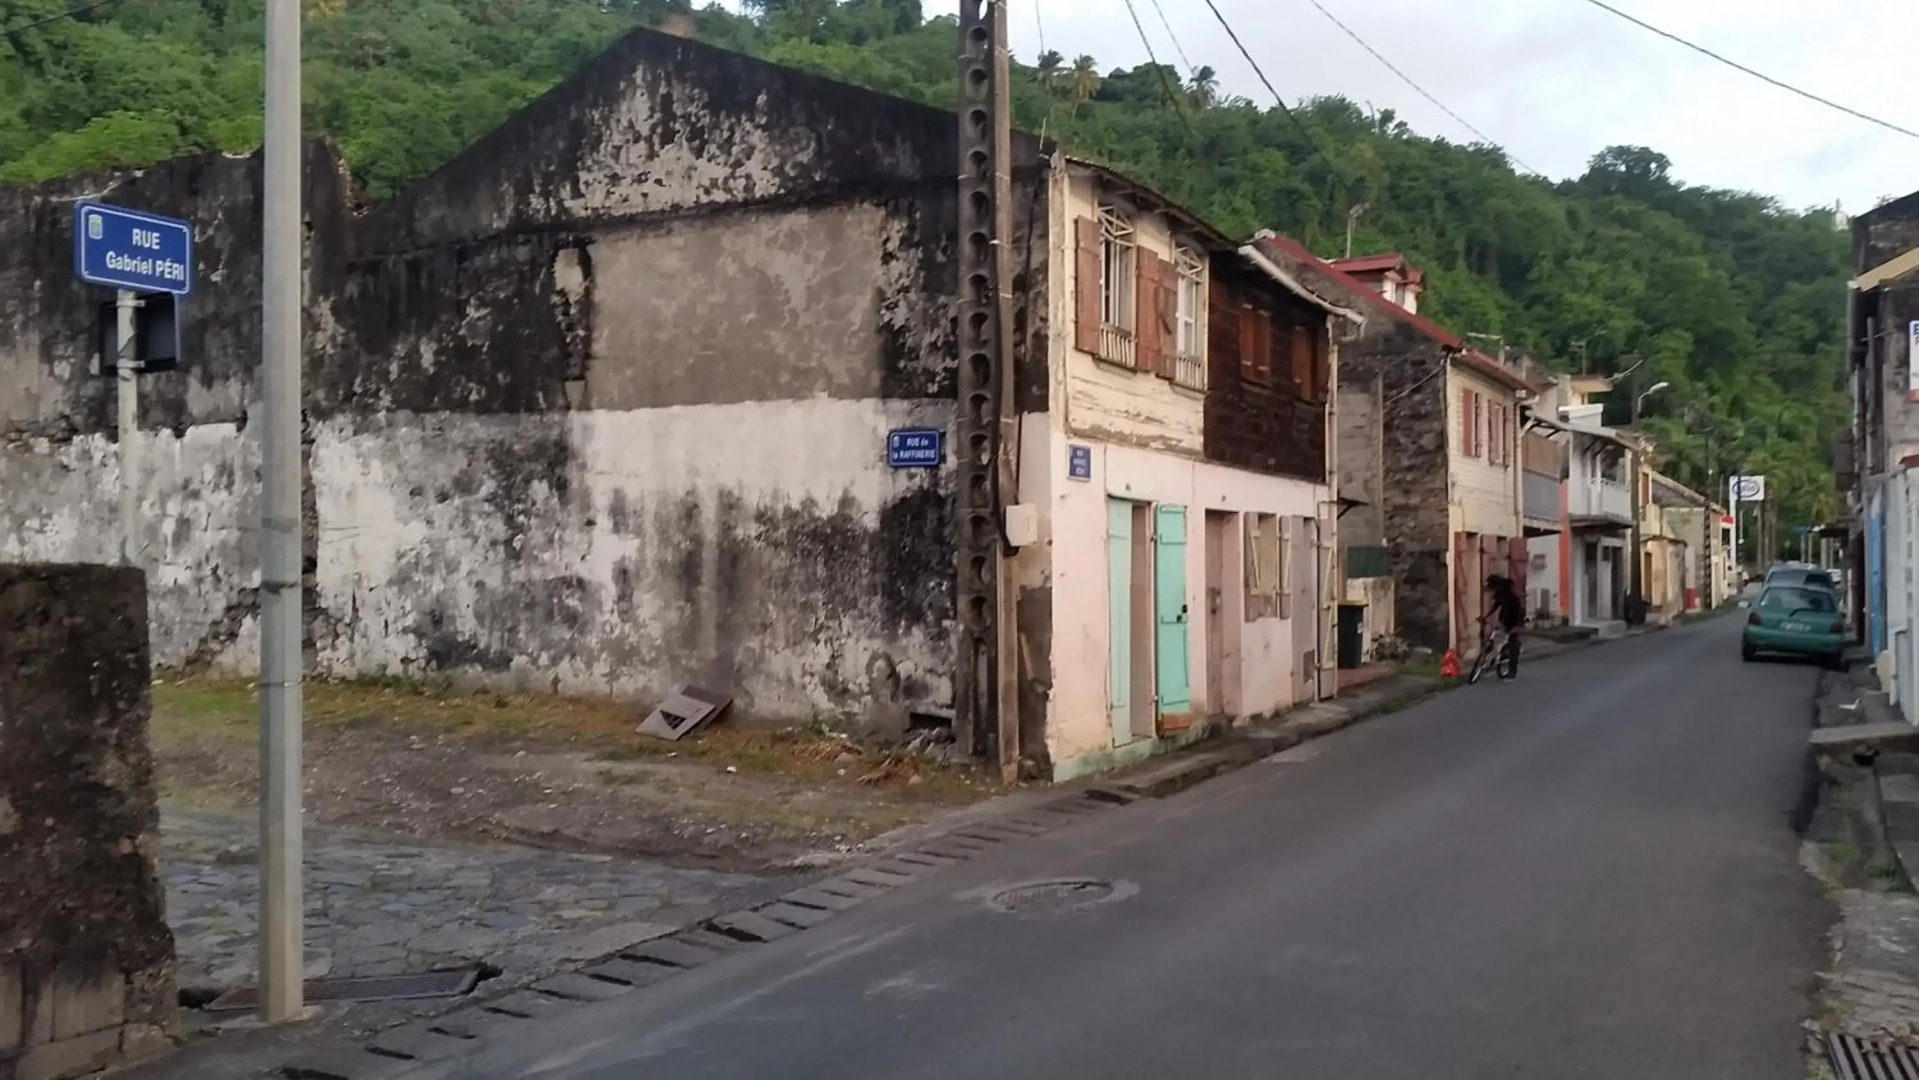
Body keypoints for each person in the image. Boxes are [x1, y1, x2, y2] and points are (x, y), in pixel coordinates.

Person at [1482, 574, 1526, 679]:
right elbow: (1495, 606)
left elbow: (1508, 612)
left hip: (1515, 620)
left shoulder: (1509, 597)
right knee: (1495, 638)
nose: (1490, 591)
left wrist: (1504, 624)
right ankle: (1492, 658)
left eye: (1491, 588)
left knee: (1512, 644)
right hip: (1506, 619)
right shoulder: (1501, 594)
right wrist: (1485, 617)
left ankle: (1512, 671)